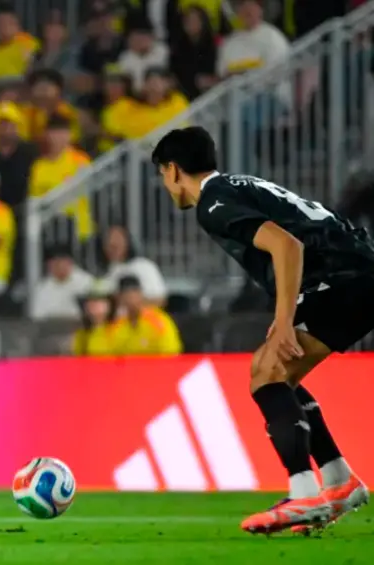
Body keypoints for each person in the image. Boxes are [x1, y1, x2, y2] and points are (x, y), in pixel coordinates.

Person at [151, 126, 370, 534]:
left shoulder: (213, 203)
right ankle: (339, 481)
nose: (167, 185)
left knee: (267, 373)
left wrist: (287, 319)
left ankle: (303, 494)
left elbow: (287, 246)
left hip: (346, 279)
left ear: (174, 169)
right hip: (350, 274)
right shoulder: (237, 186)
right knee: (272, 369)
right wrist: (290, 306)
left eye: (163, 175)